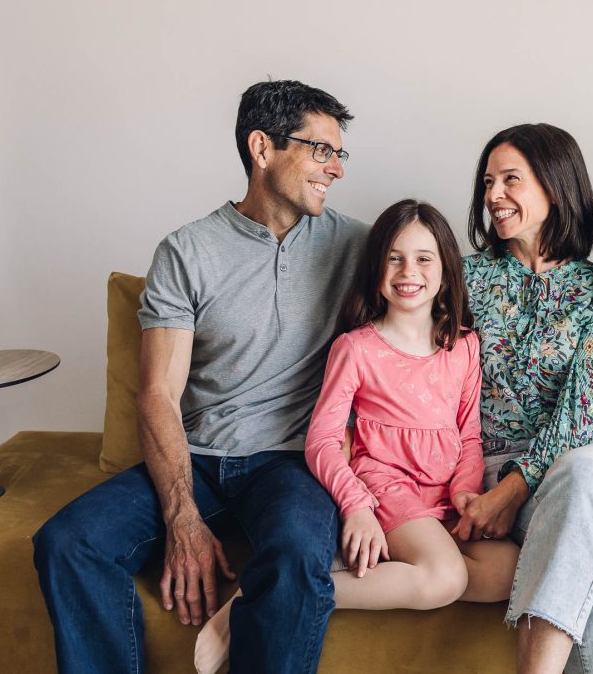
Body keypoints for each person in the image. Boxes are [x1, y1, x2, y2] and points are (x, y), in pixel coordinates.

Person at [32, 79, 368, 674]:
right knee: (68, 542)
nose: (337, 169)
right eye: (322, 150)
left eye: (341, 153)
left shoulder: (358, 247)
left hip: (293, 462)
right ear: (262, 148)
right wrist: (181, 514)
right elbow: (158, 391)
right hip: (200, 458)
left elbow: (432, 284)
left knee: (295, 552)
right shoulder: (186, 252)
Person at [194, 199, 519, 674]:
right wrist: (357, 506)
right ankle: (274, 593)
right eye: (394, 257)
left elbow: (468, 436)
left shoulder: (464, 345)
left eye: (424, 258)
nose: (409, 270)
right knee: (445, 577)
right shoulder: (356, 348)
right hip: (384, 486)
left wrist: (467, 493)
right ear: (376, 268)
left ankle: (313, 577)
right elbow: (322, 442)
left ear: (447, 270)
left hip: (443, 492)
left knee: (507, 569)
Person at [454, 124, 593, 674]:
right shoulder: (464, 278)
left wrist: (510, 493)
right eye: (488, 182)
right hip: (498, 470)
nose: (493, 195)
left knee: (583, 471)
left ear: (556, 186)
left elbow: (584, 408)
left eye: (510, 179)